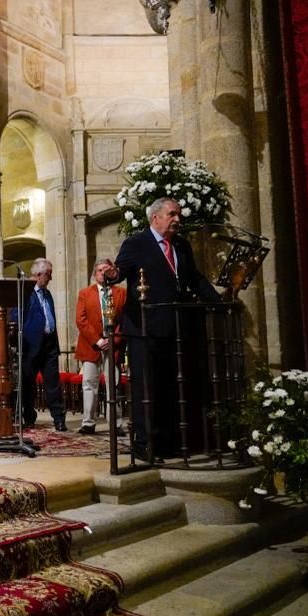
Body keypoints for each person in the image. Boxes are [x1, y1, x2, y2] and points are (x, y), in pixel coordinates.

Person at [108, 197, 220, 460]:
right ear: (155, 217)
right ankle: (144, 443)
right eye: (172, 214)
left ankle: (168, 442)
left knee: (170, 386)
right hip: (145, 328)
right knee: (146, 388)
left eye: (178, 215)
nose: (177, 219)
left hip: (176, 328)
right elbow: (120, 271)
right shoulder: (136, 243)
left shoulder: (181, 245)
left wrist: (218, 300)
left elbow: (194, 278)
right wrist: (112, 275)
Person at [74, 259, 127, 435]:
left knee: (114, 383)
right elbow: (81, 320)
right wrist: (97, 341)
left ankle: (116, 424)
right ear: (94, 274)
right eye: (99, 270)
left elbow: (124, 320)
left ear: (113, 271)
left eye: (106, 270)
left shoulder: (121, 293)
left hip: (113, 345)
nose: (103, 273)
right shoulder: (85, 293)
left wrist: (113, 340)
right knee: (89, 384)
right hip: (92, 346)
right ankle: (88, 422)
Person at [17, 258, 67, 431]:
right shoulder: (24, 291)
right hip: (30, 345)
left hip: (49, 345)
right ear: (39, 275)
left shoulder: (48, 293)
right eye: (49, 274)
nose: (51, 278)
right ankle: (29, 417)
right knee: (28, 384)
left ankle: (59, 419)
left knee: (53, 383)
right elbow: (16, 317)